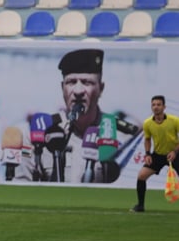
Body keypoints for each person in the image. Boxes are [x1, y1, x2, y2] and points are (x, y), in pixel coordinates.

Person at [10, 49, 139, 183]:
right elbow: (20, 190)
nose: (78, 91)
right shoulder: (38, 134)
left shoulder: (124, 137)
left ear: (101, 89)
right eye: (71, 82)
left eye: (87, 82)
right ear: (62, 88)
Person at [131, 95, 179, 212]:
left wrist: (175, 151)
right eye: (153, 105)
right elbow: (147, 139)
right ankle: (140, 206)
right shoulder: (147, 123)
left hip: (175, 154)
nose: (156, 107)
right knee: (141, 176)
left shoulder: (174, 121)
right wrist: (147, 154)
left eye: (159, 104)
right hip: (158, 155)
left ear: (164, 107)